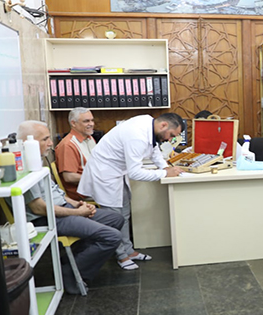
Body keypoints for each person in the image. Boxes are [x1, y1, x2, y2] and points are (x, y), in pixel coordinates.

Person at [17, 120, 122, 295]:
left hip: (64, 209)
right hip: (48, 218)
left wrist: (77, 204)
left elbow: (56, 194)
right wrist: (77, 212)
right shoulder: (25, 169)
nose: (50, 143)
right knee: (112, 237)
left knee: (115, 219)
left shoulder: (37, 162)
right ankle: (72, 273)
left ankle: (73, 261)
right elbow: (39, 208)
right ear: (28, 142)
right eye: (45, 139)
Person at [78, 113, 185, 270]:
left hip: (117, 173)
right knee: (114, 218)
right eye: (171, 135)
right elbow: (135, 173)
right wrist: (164, 173)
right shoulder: (137, 136)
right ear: (163, 125)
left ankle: (129, 251)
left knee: (124, 215)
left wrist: (166, 167)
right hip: (104, 175)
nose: (170, 139)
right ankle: (121, 256)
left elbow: (154, 150)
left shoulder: (150, 124)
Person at [54, 107, 96, 200]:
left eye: (92, 120)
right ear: (73, 123)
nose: (91, 124)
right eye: (86, 121)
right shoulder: (68, 145)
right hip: (82, 193)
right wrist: (96, 178)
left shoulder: (89, 139)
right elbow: (69, 177)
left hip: (94, 186)